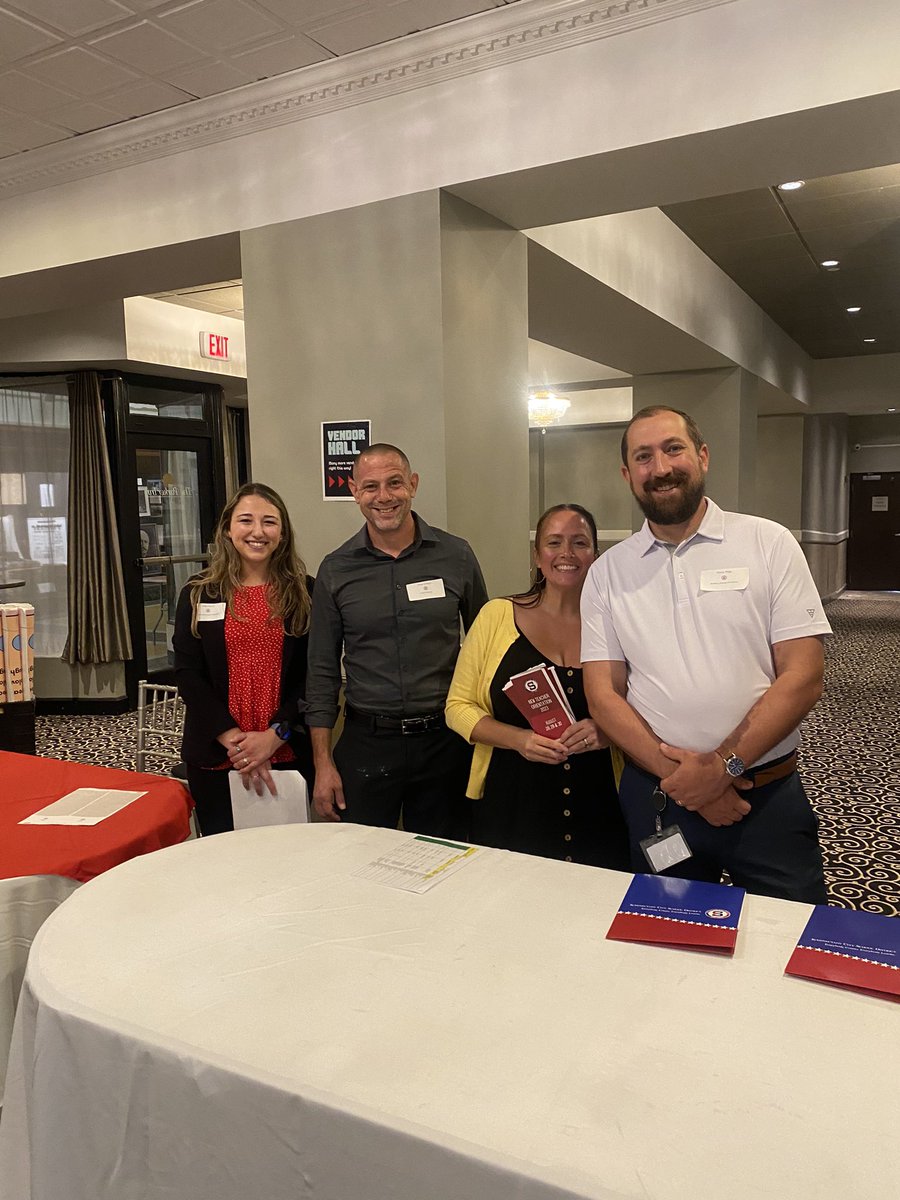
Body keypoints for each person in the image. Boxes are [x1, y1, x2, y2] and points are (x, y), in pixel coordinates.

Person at [581, 405, 832, 902]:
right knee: (668, 934)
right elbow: (603, 695)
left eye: (673, 449)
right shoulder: (608, 572)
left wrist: (723, 767)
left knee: (790, 934)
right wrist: (686, 781)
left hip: (764, 795)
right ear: (628, 475)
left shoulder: (768, 543)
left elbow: (804, 676)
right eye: (643, 457)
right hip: (660, 799)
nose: (661, 468)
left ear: (702, 456)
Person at [306, 443, 488, 837]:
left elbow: (486, 648)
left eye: (395, 483)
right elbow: (321, 672)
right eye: (370, 487)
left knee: (446, 858)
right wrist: (322, 763)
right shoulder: (335, 570)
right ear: (354, 491)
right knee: (361, 857)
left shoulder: (456, 555)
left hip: (446, 742)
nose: (384, 497)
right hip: (367, 744)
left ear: (413, 485)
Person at [446, 504, 630, 869]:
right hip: (512, 800)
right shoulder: (496, 616)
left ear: (595, 555)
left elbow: (642, 704)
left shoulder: (616, 623)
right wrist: (519, 740)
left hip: (599, 801)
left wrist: (609, 731)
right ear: (537, 555)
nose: (566, 553)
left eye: (580, 543)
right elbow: (457, 707)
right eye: (554, 542)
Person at [173, 482, 314, 836]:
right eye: (246, 520)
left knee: (292, 854)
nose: (257, 532)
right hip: (216, 752)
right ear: (227, 529)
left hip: (287, 749)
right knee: (224, 855)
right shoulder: (198, 593)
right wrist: (234, 739)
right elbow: (188, 674)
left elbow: (313, 675)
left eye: (269, 522)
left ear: (282, 533)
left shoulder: (306, 592)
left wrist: (274, 736)